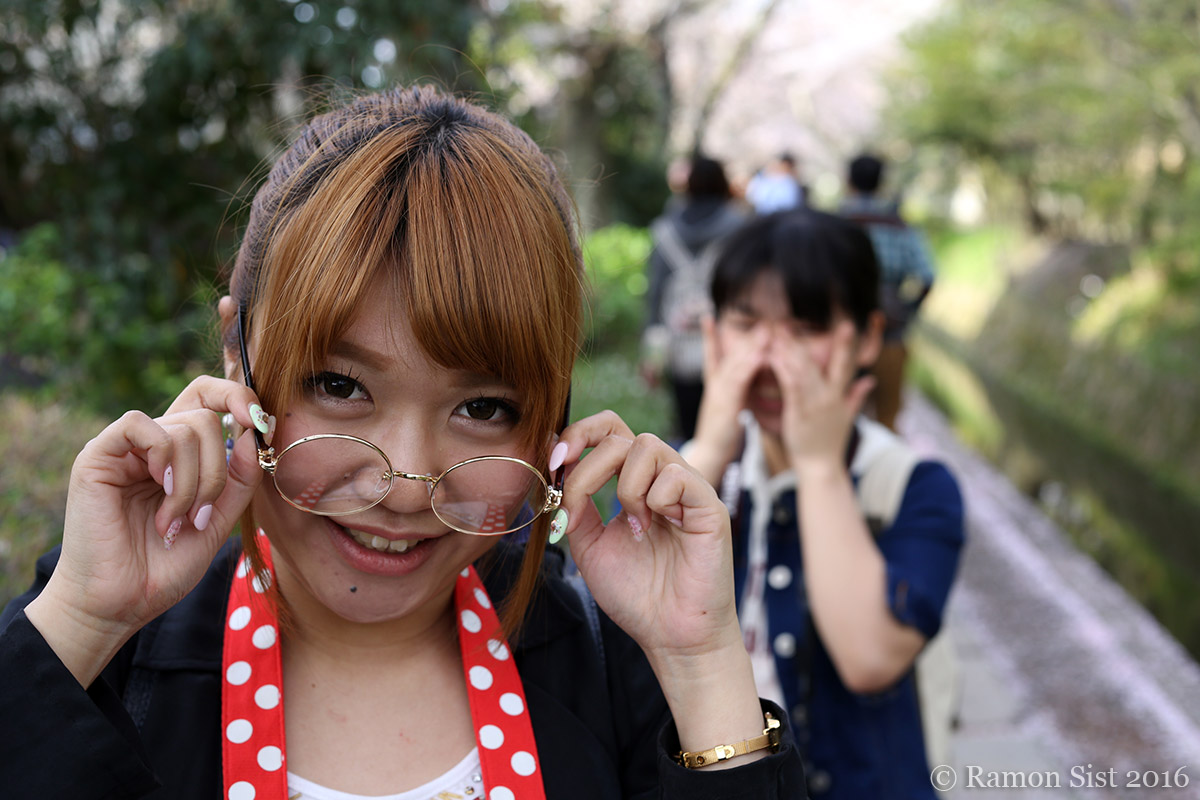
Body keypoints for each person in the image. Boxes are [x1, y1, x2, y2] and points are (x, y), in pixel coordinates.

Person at [0, 86, 805, 799]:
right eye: (341, 387)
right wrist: (84, 621)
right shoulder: (105, 659)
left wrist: (700, 664)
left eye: (484, 407)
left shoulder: (609, 666)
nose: (412, 484)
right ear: (236, 356)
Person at [683, 209, 964, 799]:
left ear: (866, 338)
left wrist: (817, 467)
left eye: (805, 326)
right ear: (713, 336)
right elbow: (606, 624)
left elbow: (871, 660)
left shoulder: (916, 487)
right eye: (746, 322)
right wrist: (707, 448)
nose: (771, 354)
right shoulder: (697, 471)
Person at [641, 155, 748, 441]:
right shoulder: (740, 228)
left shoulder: (664, 230)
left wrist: (651, 356)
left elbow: (655, 297)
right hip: (726, 342)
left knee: (686, 424)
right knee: (725, 425)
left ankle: (689, 475)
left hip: (679, 347)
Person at [840, 153, 936, 432]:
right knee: (886, 421)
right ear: (881, 183)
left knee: (839, 421)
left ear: (849, 181)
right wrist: (907, 311)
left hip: (843, 335)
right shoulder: (900, 226)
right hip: (891, 334)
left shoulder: (837, 223)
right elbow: (927, 277)